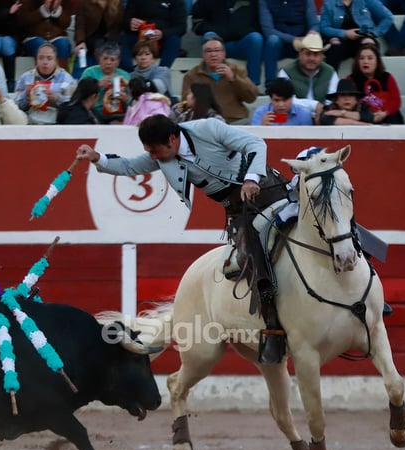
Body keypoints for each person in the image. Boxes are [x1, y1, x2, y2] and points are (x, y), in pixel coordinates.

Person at [76, 114, 289, 364]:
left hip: (269, 189)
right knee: (250, 258)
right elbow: (129, 166)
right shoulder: (163, 157)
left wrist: (251, 179)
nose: (152, 157)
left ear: (172, 139)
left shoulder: (208, 128)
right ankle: (272, 327)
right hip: (239, 211)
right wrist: (96, 157)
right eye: (149, 152)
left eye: (154, 150)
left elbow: (255, 144)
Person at [192, 0, 274, 87]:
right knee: (209, 36)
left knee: (256, 38)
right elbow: (197, 25)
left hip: (241, 44)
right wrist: (216, 32)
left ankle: (252, 84)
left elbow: (258, 25)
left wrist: (236, 31)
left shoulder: (252, 2)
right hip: (218, 43)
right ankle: (213, 83)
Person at [181, 35, 258, 124]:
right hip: (206, 122)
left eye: (217, 50)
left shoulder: (237, 70)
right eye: (208, 51)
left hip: (235, 120)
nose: (213, 54)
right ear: (203, 55)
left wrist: (234, 78)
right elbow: (185, 104)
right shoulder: (192, 75)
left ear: (224, 54)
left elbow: (251, 98)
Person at [278, 32, 339, 120]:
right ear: (300, 55)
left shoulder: (330, 72)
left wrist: (321, 113)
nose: (311, 58)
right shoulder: (286, 71)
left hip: (323, 116)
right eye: (308, 54)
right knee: (273, 117)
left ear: (322, 57)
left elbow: (332, 100)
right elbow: (285, 99)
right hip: (293, 117)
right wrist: (314, 106)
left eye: (316, 54)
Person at [319, 0, 394, 71]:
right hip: (339, 37)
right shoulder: (329, 2)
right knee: (335, 45)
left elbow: (387, 17)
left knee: (368, 43)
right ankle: (330, 81)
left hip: (361, 36)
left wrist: (374, 33)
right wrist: (345, 33)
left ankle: (371, 82)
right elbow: (324, 28)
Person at [13, 41, 76, 124]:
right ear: (36, 60)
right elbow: (15, 107)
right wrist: (26, 96)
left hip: (57, 122)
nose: (45, 62)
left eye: (49, 58)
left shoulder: (67, 79)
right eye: (41, 58)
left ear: (56, 61)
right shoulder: (26, 77)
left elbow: (73, 108)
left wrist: (57, 99)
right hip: (30, 122)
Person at [258, 0, 320, 79]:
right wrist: (293, 39)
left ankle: (309, 84)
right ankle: (270, 84)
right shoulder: (265, 2)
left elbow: (314, 24)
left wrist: (312, 32)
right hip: (280, 42)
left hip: (303, 43)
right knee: (272, 40)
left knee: (315, 39)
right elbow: (268, 30)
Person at [119, 0, 187, 71]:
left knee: (174, 40)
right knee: (123, 40)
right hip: (139, 36)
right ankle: (130, 74)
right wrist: (130, 22)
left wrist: (163, 33)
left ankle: (161, 73)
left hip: (163, 38)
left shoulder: (177, 1)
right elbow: (124, 22)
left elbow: (181, 27)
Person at [347, 42, 405, 123]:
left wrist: (385, 113)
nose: (365, 61)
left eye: (370, 58)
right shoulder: (350, 79)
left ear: (377, 61)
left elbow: (396, 101)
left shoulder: (387, 77)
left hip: (387, 115)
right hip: (362, 117)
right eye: (361, 58)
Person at [79, 41, 130, 123]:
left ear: (118, 62)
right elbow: (79, 93)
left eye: (112, 59)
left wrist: (126, 99)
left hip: (118, 115)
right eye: (105, 58)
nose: (108, 62)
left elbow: (134, 100)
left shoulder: (125, 76)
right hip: (94, 113)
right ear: (99, 59)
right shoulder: (89, 72)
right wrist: (96, 85)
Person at [72, 0, 124, 78]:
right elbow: (80, 25)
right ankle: (79, 81)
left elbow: (118, 26)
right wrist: (80, 42)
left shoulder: (117, 3)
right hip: (89, 39)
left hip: (110, 40)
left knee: (116, 53)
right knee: (83, 54)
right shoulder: (84, 2)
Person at [17, 0, 72, 70]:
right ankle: (42, 76)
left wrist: (56, 10)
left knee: (63, 44)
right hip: (33, 37)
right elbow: (23, 22)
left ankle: (61, 77)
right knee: (40, 45)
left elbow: (66, 23)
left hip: (57, 36)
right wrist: (43, 10)